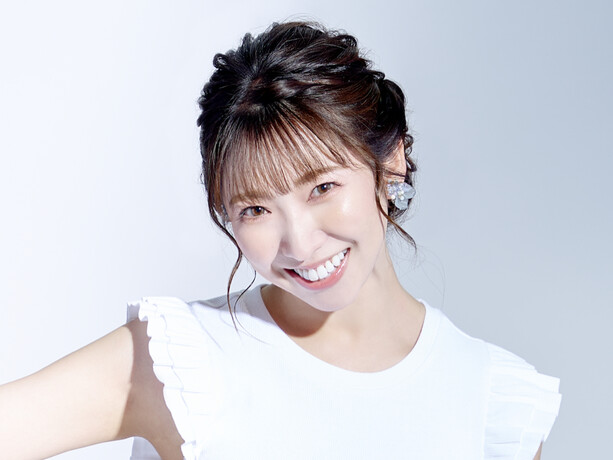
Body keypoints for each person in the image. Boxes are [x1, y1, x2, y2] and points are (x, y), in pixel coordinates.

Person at [0, 21, 561, 460]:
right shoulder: (178, 362)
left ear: (390, 161)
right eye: (256, 209)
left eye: (322, 187)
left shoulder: (495, 404)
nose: (300, 242)